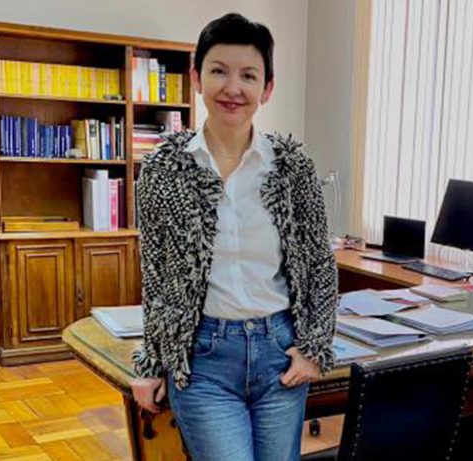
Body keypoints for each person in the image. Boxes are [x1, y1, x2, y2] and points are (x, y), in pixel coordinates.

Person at [130, 12, 338, 461]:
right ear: (196, 78)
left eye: (248, 75)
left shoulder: (292, 168)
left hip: (279, 351)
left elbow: (319, 263)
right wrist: (152, 362)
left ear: (267, 88)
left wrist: (314, 348)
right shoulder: (164, 170)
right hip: (203, 357)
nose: (233, 88)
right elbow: (157, 274)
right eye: (219, 71)